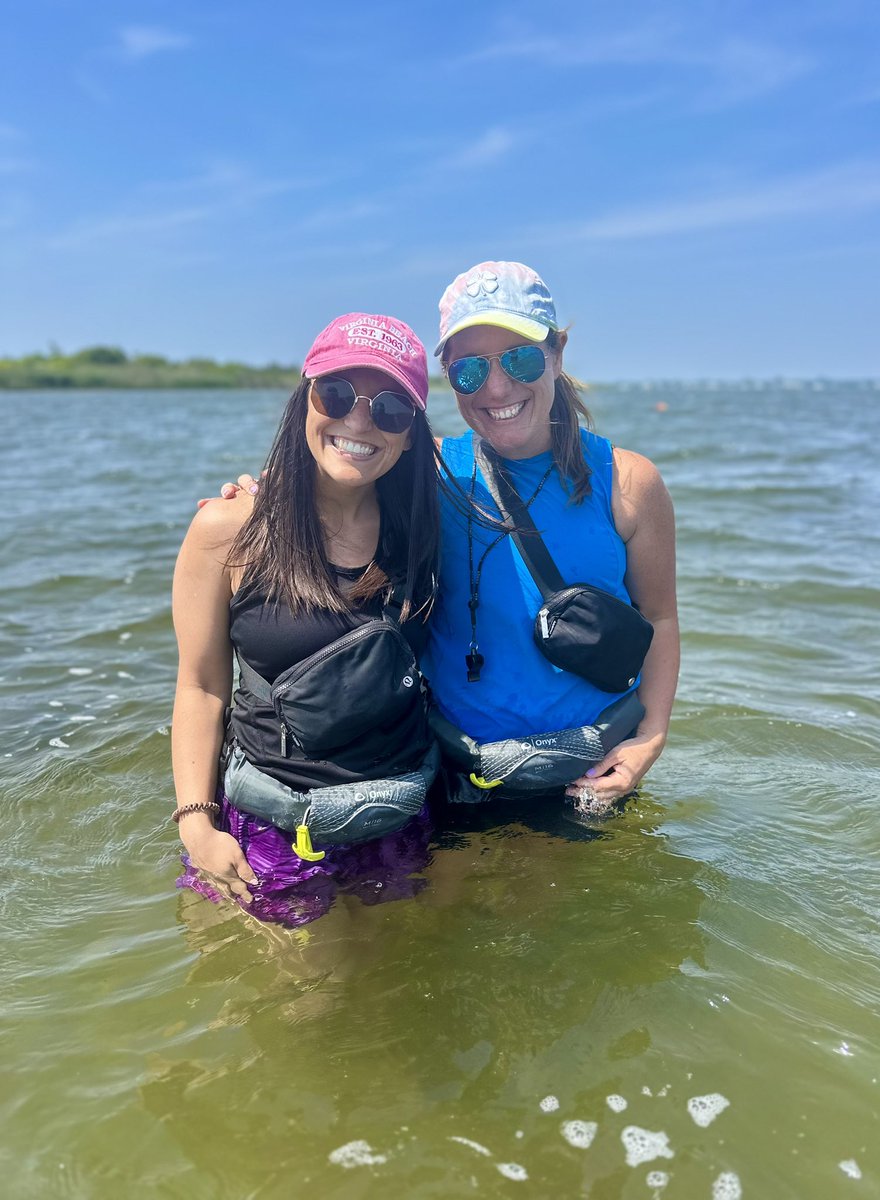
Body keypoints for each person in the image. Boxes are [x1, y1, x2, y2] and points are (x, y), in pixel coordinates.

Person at [220, 262, 678, 821]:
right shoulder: (427, 474)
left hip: (594, 773)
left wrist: (651, 736)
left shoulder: (629, 482)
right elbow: (338, 468)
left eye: (521, 358)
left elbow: (659, 617)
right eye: (469, 372)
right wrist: (256, 494)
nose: (498, 387)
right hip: (458, 776)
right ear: (445, 375)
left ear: (556, 355)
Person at [172, 313, 441, 926]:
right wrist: (197, 826)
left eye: (392, 409)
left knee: (406, 989)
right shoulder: (229, 529)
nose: (359, 421)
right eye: (338, 393)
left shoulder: (427, 524)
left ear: (410, 435)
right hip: (274, 823)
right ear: (305, 402)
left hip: (400, 810)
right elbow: (200, 687)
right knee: (307, 1004)